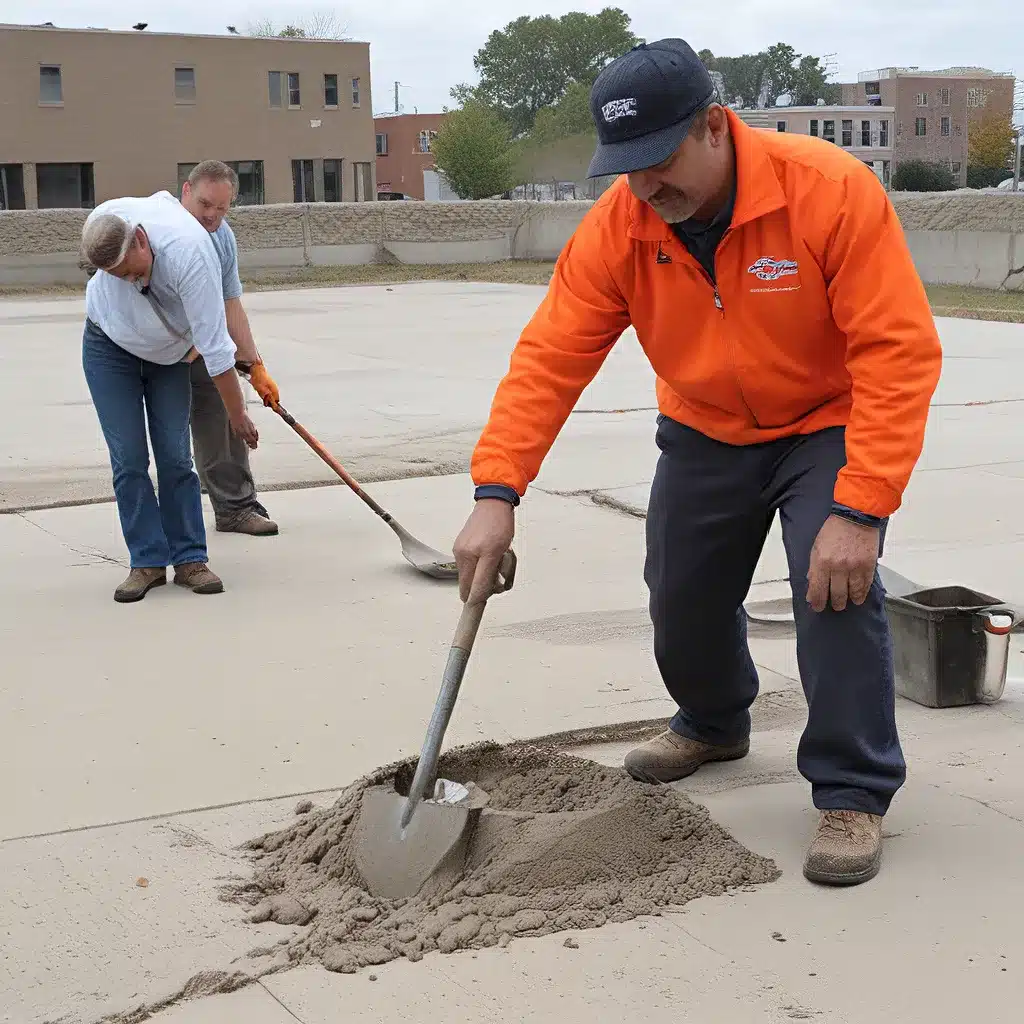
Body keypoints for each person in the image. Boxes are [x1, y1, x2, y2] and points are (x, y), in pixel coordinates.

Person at [453, 38, 943, 886]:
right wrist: (497, 489)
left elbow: (897, 351)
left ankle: (852, 788)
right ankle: (715, 722)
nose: (645, 186)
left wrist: (860, 508)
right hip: (706, 426)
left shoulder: (826, 191)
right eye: (626, 167)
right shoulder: (623, 225)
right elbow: (550, 357)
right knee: (679, 590)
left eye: (659, 160)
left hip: (824, 421)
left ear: (716, 125)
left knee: (832, 583)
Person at [80, 191, 262, 602]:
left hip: (168, 360)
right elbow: (113, 271)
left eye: (130, 271)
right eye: (117, 276)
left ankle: (190, 560)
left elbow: (217, 349)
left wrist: (238, 417)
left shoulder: (190, 254)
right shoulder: (104, 224)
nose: (129, 280)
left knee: (175, 457)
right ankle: (145, 562)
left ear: (142, 241)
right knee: (128, 459)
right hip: (109, 348)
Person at [179, 161, 281, 537]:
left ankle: (236, 505)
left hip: (204, 347)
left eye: (222, 208)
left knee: (224, 420)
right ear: (186, 192)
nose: (212, 216)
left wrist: (254, 365)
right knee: (191, 430)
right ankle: (199, 511)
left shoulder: (222, 236)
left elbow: (230, 303)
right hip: (160, 351)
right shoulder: (169, 233)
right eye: (206, 204)